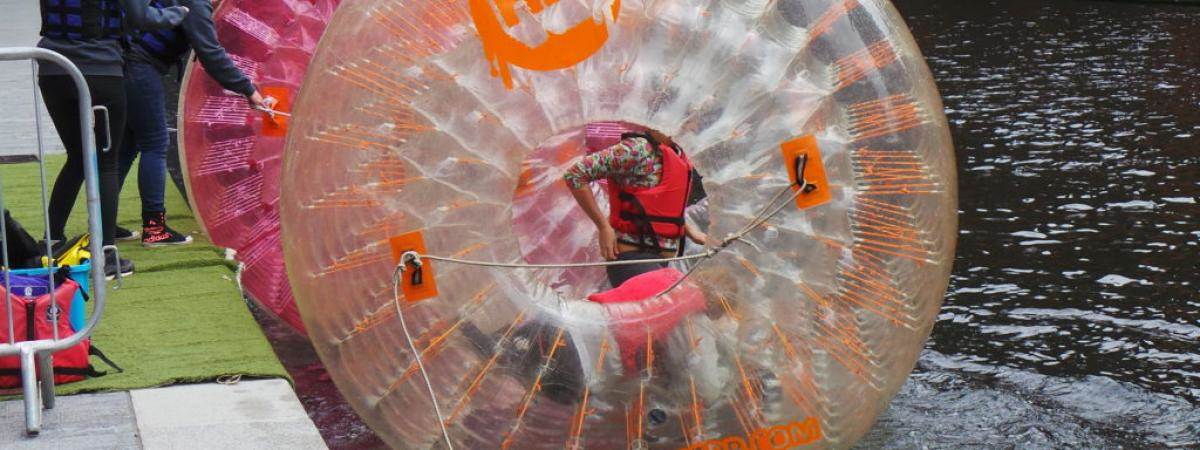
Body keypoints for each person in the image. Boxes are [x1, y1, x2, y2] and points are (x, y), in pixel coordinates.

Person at [37, 0, 190, 277]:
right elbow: (141, 16)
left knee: (77, 158)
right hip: (101, 70)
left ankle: (51, 240)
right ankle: (106, 254)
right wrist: (177, 13)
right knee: (107, 162)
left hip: (53, 69)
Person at [116, 0, 274, 246]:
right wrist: (249, 91)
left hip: (123, 60)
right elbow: (211, 54)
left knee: (127, 146)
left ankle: (104, 224)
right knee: (155, 144)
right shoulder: (197, 4)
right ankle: (154, 228)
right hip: (140, 66)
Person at [563, 130, 708, 287]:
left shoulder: (678, 154)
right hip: (633, 258)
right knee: (671, 297)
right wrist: (603, 227)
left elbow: (661, 207)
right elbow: (575, 174)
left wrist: (689, 230)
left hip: (662, 261)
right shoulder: (636, 149)